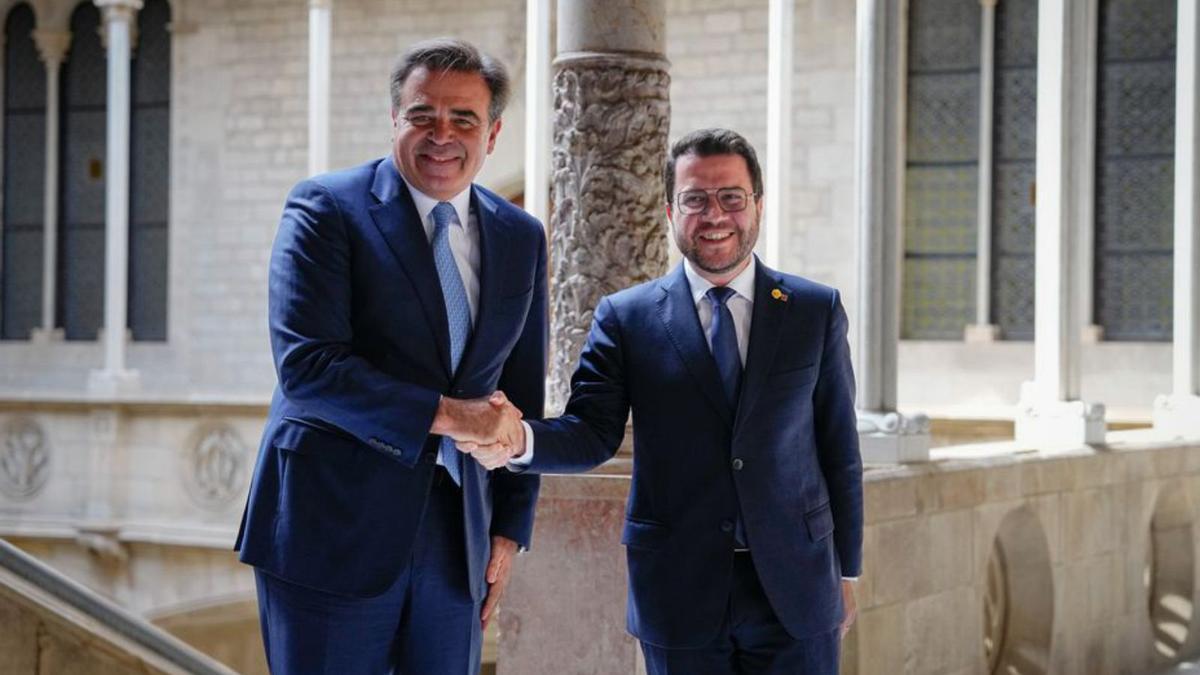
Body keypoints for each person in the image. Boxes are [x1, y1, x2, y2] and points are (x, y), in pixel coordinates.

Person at [462, 128, 863, 674]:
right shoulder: (627, 318)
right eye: (695, 199)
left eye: (731, 197)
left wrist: (849, 573)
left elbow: (839, 448)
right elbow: (591, 430)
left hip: (797, 588)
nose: (714, 214)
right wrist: (520, 439)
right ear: (671, 211)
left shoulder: (814, 310)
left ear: (758, 206)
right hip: (678, 591)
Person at [235, 37, 545, 674]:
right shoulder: (325, 208)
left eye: (464, 119)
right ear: (393, 120)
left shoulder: (520, 236)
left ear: (493, 133)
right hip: (331, 527)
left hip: (459, 541)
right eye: (422, 115)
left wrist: (510, 528)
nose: (442, 135)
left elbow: (522, 390)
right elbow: (309, 367)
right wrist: (457, 418)